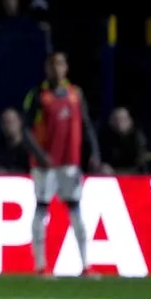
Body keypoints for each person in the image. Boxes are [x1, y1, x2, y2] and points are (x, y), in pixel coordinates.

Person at [22, 51, 101, 278]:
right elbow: (25, 130)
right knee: (41, 209)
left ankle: (86, 266)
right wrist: (40, 154)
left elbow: (85, 124)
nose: (57, 68)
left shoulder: (76, 94)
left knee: (76, 211)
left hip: (70, 163)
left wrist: (93, 152)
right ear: (47, 68)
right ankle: (41, 266)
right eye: (52, 64)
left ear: (66, 67)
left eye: (60, 64)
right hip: (45, 166)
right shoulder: (37, 95)